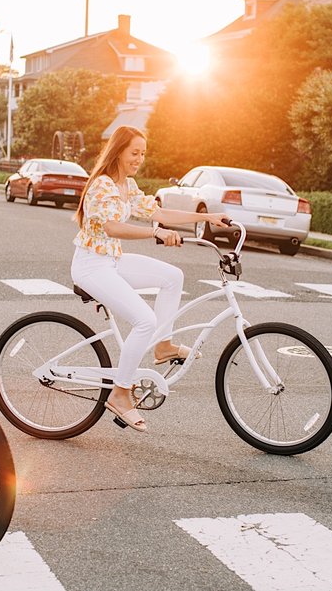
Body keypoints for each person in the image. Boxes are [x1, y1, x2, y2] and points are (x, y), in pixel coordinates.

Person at [72, 125, 229, 433]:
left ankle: (163, 346)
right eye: (134, 152)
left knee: (173, 276)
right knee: (144, 319)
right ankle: (120, 393)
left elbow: (160, 213)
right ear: (118, 151)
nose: (139, 159)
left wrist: (208, 218)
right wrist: (155, 232)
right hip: (91, 265)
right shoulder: (102, 186)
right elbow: (113, 228)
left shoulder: (126, 185)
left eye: (143, 153)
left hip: (112, 261)